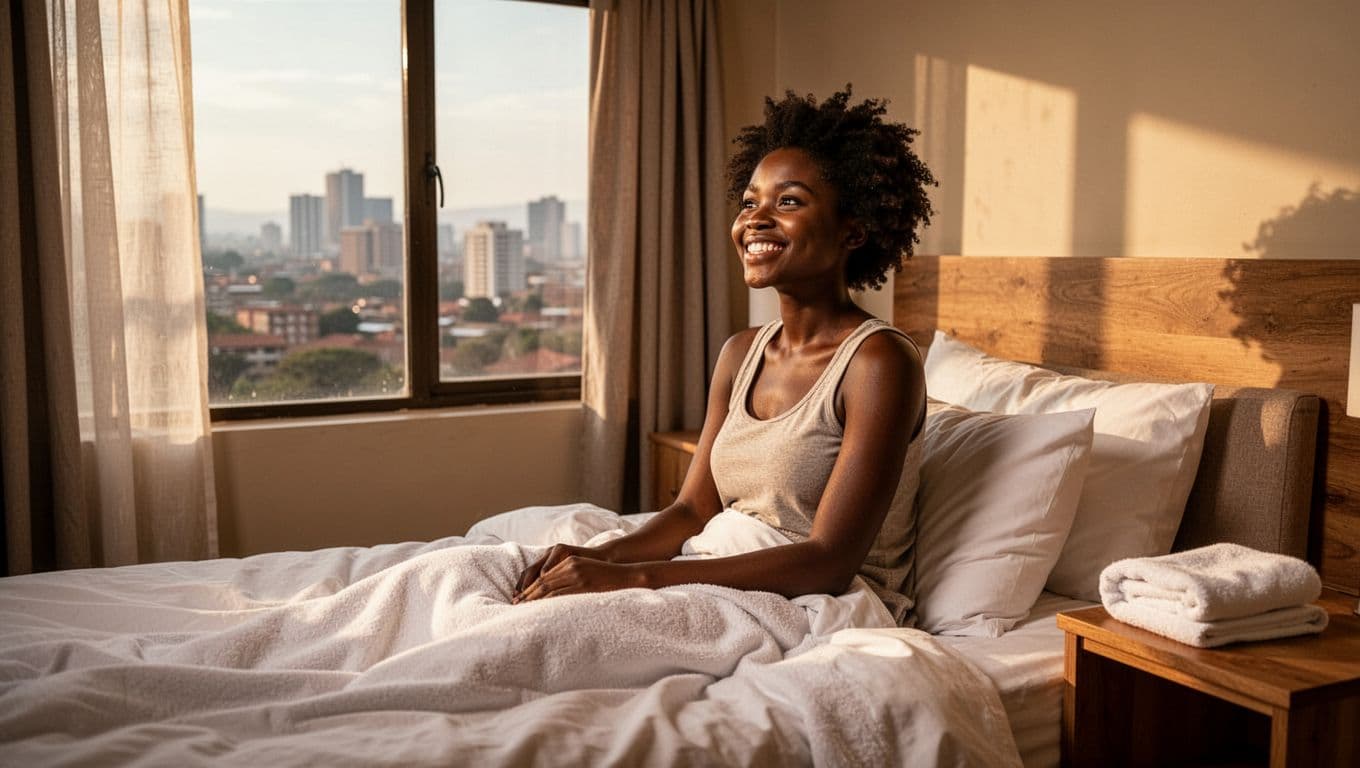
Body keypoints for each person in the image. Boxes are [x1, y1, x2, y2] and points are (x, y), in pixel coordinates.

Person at [515, 88, 936, 625]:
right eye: (748, 202)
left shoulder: (878, 362)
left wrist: (633, 577)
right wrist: (597, 556)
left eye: (788, 201)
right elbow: (692, 510)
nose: (755, 219)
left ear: (853, 230)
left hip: (819, 605)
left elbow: (830, 561)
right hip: (717, 571)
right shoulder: (742, 352)